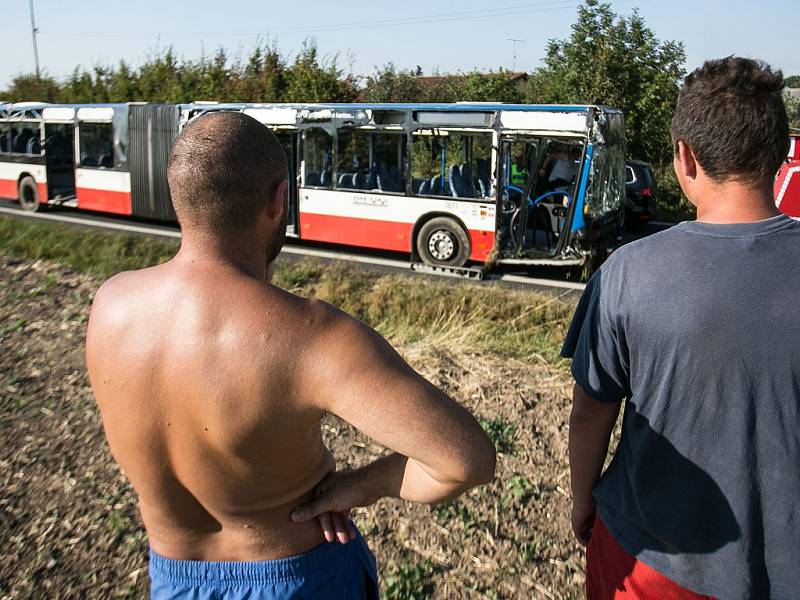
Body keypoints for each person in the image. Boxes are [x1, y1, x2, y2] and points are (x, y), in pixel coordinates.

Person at [85, 112, 496, 599]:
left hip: (173, 579)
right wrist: (364, 484)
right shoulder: (313, 338)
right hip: (298, 577)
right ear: (279, 199)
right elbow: (465, 460)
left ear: (180, 199)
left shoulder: (109, 307)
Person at [562, 57, 799, 599]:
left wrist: (582, 501)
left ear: (685, 158)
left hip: (653, 563)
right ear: (784, 154)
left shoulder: (626, 275)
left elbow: (590, 409)